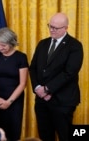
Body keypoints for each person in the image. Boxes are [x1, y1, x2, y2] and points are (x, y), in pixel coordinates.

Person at [29, 12, 83, 141]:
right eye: (50, 26)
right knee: (45, 136)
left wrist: (47, 89)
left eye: (55, 28)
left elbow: (69, 73)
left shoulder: (75, 46)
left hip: (62, 101)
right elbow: (33, 68)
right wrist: (37, 88)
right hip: (42, 101)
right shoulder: (42, 43)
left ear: (65, 28)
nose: (52, 30)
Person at [0, 27, 29, 141]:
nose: (0, 48)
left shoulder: (21, 57)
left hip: (14, 101)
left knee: (12, 132)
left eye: (3, 45)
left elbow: (23, 83)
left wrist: (9, 101)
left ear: (12, 43)